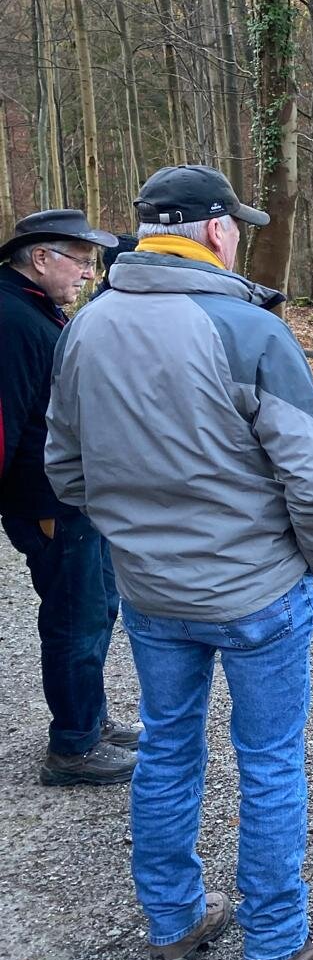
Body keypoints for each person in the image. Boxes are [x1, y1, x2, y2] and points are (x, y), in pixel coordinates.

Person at [45, 165, 313, 960]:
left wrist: (138, 536)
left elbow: (66, 469)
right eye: (238, 226)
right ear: (216, 230)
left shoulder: (85, 328)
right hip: (255, 589)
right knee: (267, 763)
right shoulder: (245, 329)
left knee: (167, 751)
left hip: (153, 596)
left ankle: (173, 923)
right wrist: (301, 557)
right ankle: (276, 944)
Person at [0, 209, 136, 786]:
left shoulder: (32, 312)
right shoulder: (11, 319)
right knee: (74, 620)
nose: (86, 274)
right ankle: (73, 746)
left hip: (74, 498)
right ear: (40, 258)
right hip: (51, 502)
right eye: (79, 261)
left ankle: (89, 719)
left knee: (96, 609)